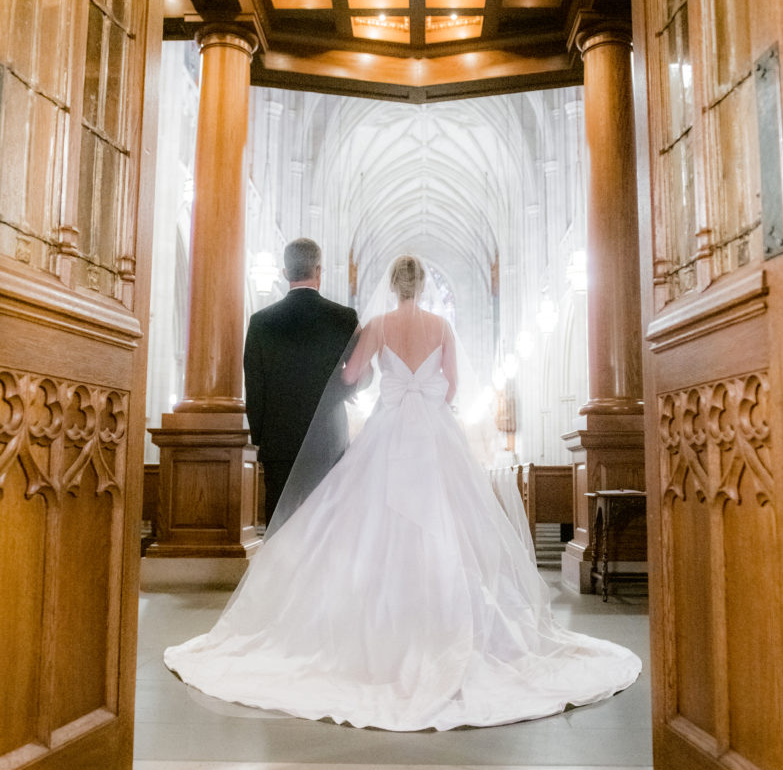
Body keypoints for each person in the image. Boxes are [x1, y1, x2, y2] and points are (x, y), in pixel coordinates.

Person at [165, 254, 641, 731]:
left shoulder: (377, 324)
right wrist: (427, 394)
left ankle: (375, 625)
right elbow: (452, 386)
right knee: (447, 522)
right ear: (425, 286)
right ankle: (446, 622)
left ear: (392, 286)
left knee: (367, 521)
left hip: (388, 432)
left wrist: (383, 381)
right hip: (433, 436)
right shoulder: (442, 328)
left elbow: (350, 376)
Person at [243, 237, 358, 526]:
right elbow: (361, 373)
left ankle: (277, 572)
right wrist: (343, 391)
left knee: (278, 525)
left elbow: (254, 386)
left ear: (284, 273)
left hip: (278, 440)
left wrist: (260, 438)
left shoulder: (260, 322)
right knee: (325, 525)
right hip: (328, 439)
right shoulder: (343, 318)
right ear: (319, 271)